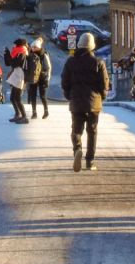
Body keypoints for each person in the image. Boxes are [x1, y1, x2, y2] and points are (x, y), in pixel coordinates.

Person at [61, 31, 110, 172]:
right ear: (92, 46)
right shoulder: (98, 62)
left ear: (79, 45)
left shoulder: (70, 62)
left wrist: (68, 95)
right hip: (94, 103)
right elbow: (104, 83)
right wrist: (102, 96)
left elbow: (65, 82)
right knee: (92, 131)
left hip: (76, 102)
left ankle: (77, 149)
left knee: (76, 130)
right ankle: (90, 161)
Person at [25, 38, 51, 119]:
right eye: (32, 47)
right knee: (33, 95)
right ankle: (34, 112)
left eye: (35, 47)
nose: (33, 48)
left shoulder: (44, 55)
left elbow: (48, 67)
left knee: (42, 95)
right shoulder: (29, 55)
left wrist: (47, 78)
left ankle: (46, 111)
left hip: (42, 78)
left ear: (39, 47)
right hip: (33, 77)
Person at [5, 38, 28, 123]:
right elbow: (8, 63)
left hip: (20, 76)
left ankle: (24, 117)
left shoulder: (22, 52)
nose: (13, 46)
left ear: (18, 45)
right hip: (17, 75)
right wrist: (6, 54)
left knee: (17, 98)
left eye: (14, 44)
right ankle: (17, 114)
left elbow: (14, 64)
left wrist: (8, 55)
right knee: (12, 98)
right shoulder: (17, 52)